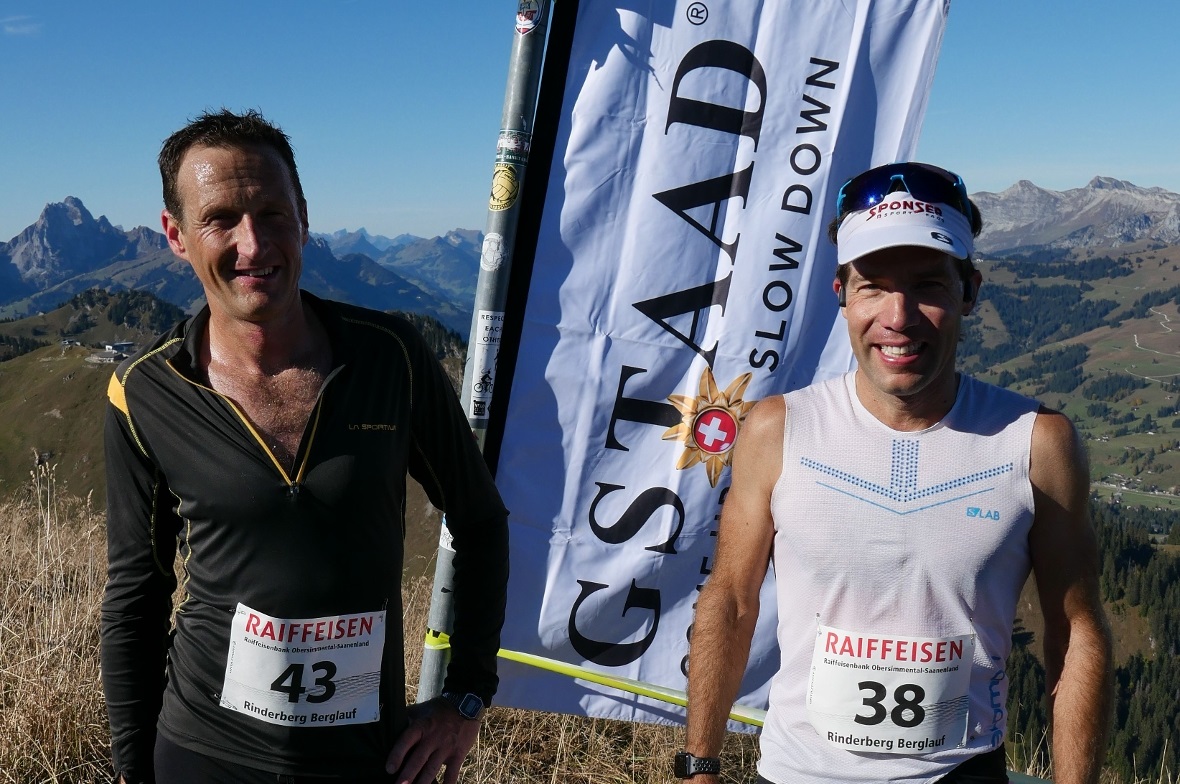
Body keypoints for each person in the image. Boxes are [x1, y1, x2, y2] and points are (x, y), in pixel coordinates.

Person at [100, 109, 509, 784]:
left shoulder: (392, 357)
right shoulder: (144, 391)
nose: (253, 244)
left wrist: (467, 696)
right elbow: (136, 594)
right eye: (221, 218)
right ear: (175, 234)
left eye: (273, 214)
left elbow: (479, 518)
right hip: (203, 749)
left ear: (305, 218)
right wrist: (129, 766)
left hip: (367, 756)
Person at [680, 162, 1113, 784]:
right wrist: (699, 763)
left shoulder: (1039, 442)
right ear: (841, 295)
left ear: (970, 291)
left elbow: (1074, 631)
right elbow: (731, 598)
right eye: (873, 286)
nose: (898, 315)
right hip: (798, 772)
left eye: (929, 286)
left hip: (961, 772)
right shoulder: (777, 429)